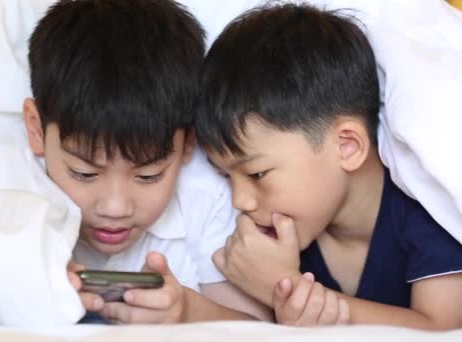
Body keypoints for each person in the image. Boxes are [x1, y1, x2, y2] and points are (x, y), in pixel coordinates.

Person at [195, 3, 462, 329]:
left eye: (256, 174)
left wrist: (283, 287)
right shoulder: (287, 233)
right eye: (225, 175)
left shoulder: (427, 209)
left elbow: (443, 330)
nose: (240, 201)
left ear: (347, 146)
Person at [22, 0, 276, 324]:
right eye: (84, 173)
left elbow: (261, 329)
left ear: (188, 143)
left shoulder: (206, 200)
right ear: (35, 128)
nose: (115, 208)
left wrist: (186, 311)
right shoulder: (11, 186)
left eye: (148, 176)